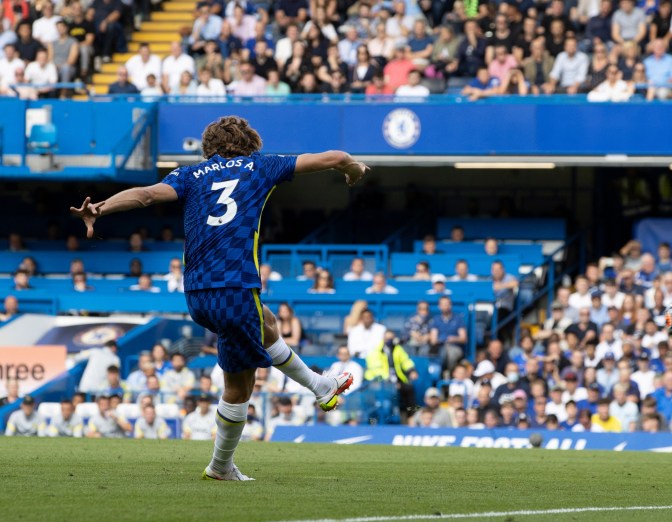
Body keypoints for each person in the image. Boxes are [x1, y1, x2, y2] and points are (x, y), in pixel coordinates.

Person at [70, 116, 366, 481]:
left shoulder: (188, 175)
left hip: (196, 293)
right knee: (241, 386)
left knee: (266, 322)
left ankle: (321, 387)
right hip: (235, 286)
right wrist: (353, 169)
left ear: (209, 147)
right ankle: (223, 464)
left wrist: (100, 208)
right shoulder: (262, 165)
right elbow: (335, 156)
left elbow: (145, 195)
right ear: (250, 142)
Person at [366, 331, 419, 420]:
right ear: (383, 338)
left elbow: (405, 361)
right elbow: (376, 369)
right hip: (380, 381)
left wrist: (411, 370)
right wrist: (390, 382)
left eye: (391, 339)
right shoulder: (376, 351)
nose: (389, 341)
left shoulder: (397, 349)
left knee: (409, 388)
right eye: (387, 339)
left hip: (396, 379)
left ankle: (410, 417)